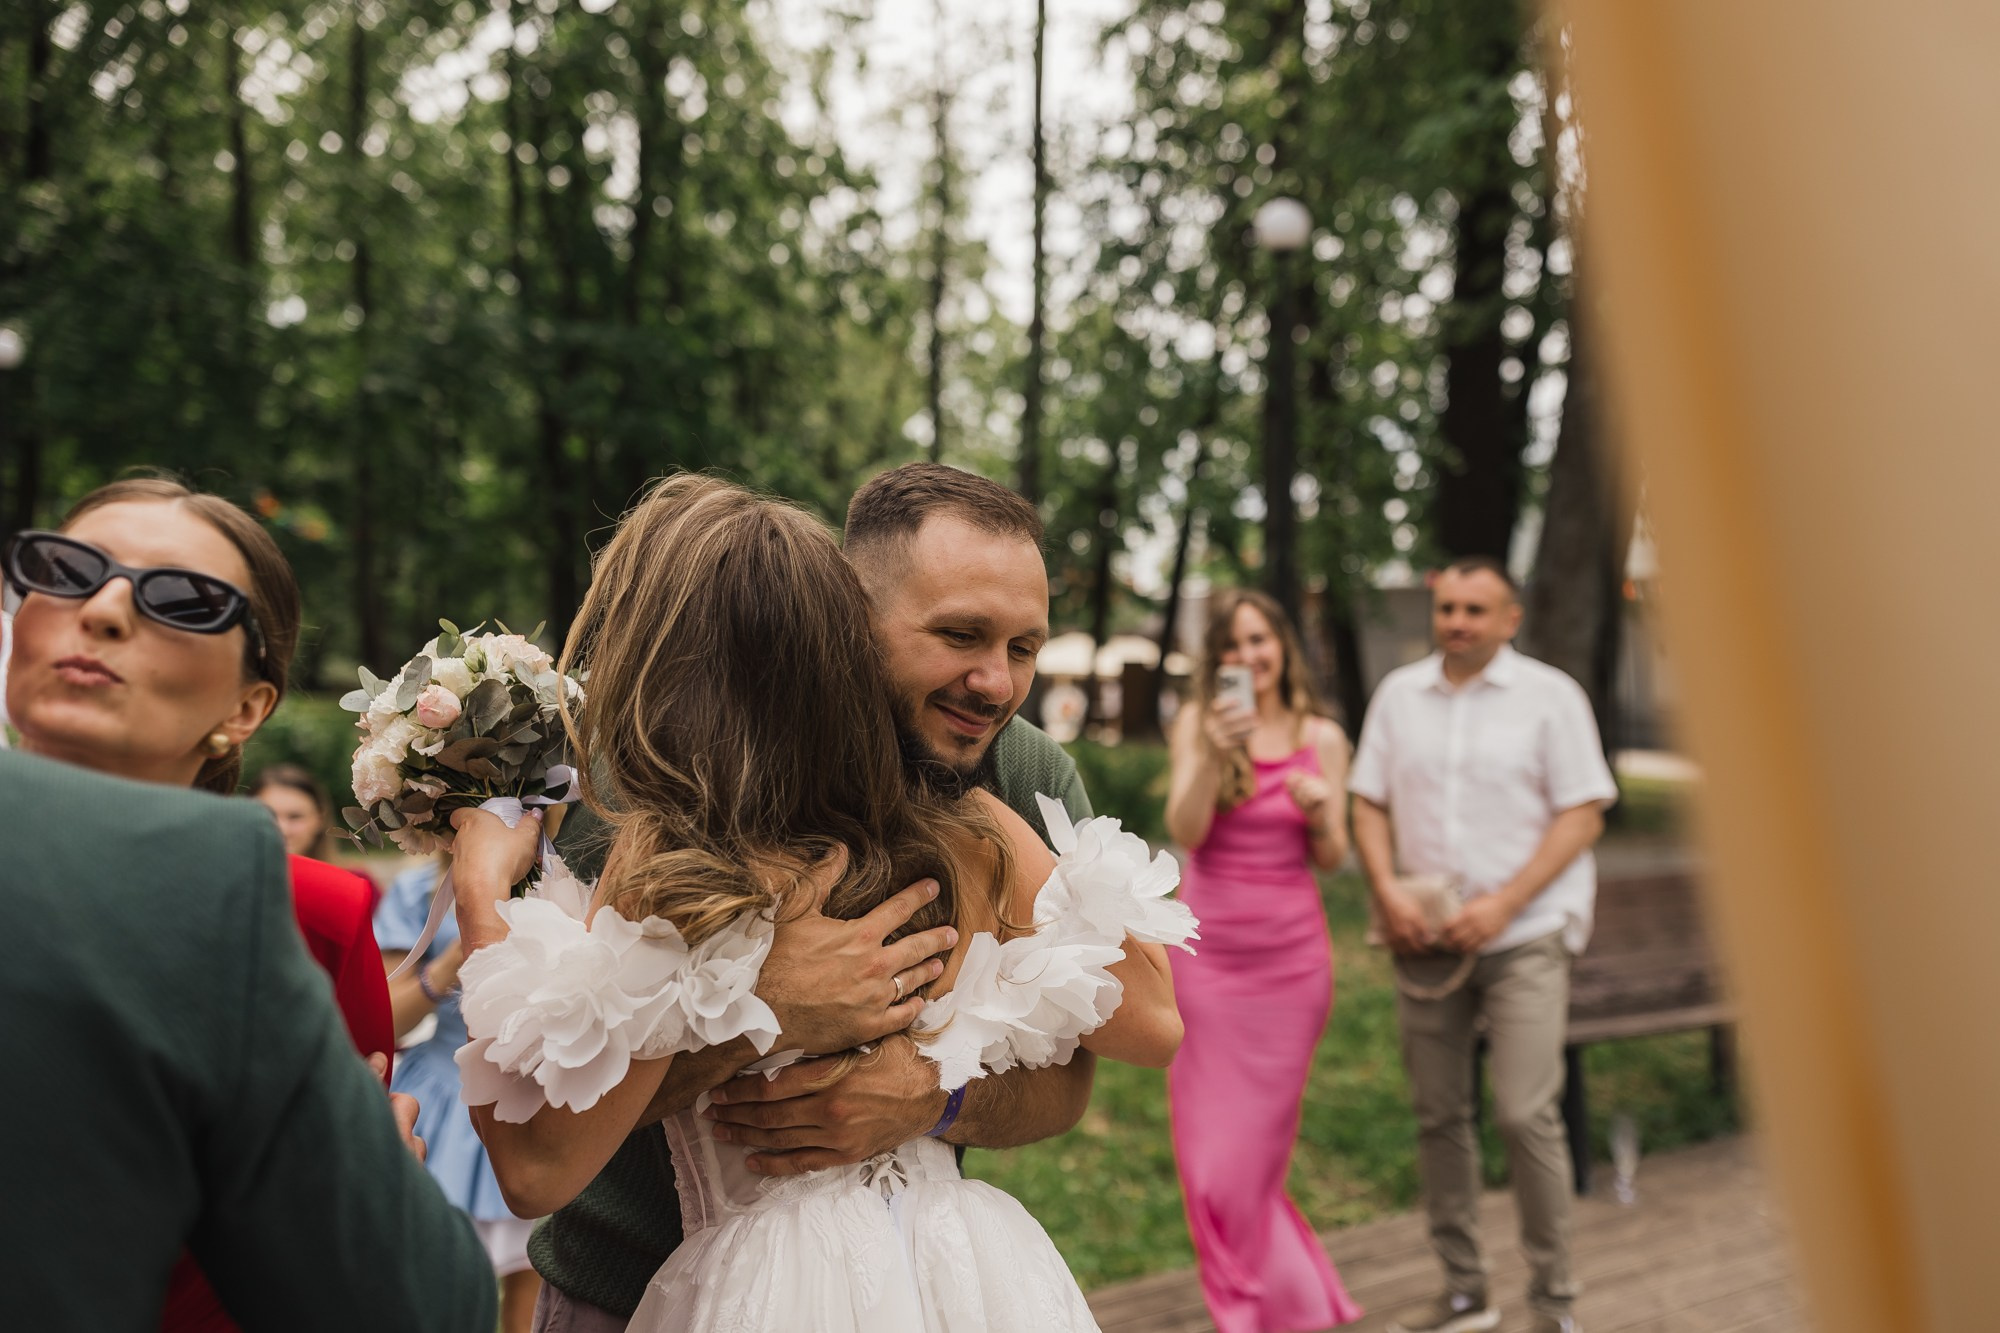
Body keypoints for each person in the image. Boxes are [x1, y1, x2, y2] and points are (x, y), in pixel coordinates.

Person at [448, 473, 1184, 1331]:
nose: (995, 681)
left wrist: (927, 1092)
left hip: (929, 1279)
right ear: (849, 619)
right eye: (959, 634)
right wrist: (761, 1010)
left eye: (1025, 647)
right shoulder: (628, 805)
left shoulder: (987, 797)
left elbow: (531, 1155)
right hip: (642, 1281)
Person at [0, 531, 493, 1328]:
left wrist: (368, 1187)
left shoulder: (305, 906)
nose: (104, 608)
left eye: (186, 600)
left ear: (248, 705)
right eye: (64, 569)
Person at [1349, 557, 1618, 1333]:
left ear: (1511, 618)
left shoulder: (1551, 698)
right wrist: (1389, 891)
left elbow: (1583, 814)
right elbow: (1368, 801)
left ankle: (1554, 1302)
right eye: (1448, 608)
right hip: (1424, 934)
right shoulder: (1401, 696)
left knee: (1523, 1110)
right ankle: (1466, 1290)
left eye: (1476, 609)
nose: (1458, 621)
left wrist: (1505, 903)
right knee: (1439, 1115)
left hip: (1527, 932)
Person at [1162, 588, 1363, 1333]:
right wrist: (1215, 749)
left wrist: (1321, 814)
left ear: (1284, 646)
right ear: (1217, 659)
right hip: (1210, 961)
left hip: (1291, 967)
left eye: (1260, 639)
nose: (1248, 655)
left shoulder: (1324, 736)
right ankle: (1278, 1309)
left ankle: (1273, 1311)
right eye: (1233, 644)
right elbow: (1185, 826)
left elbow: (1334, 856)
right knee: (1214, 1165)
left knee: (1256, 1166)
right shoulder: (1199, 722)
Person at [377, 856, 544, 1333]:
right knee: (424, 1285)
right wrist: (452, 959)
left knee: (531, 1282)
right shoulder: (416, 893)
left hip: (533, 1097)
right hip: (438, 1097)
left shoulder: (560, 875)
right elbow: (385, 1020)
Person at [250, 762, 339, 860]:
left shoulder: (350, 875)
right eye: (268, 816)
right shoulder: (230, 874)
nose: (283, 830)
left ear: (320, 819)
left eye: (295, 817)